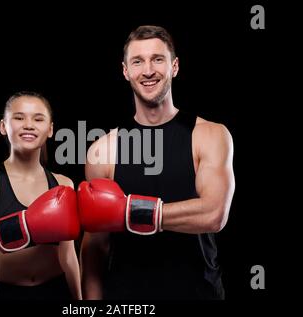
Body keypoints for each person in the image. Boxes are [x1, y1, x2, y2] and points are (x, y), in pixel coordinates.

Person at [78, 25, 235, 299]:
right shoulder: (103, 151)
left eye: (157, 59)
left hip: (199, 294)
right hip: (127, 299)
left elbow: (213, 214)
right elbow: (95, 246)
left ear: (174, 66)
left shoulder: (209, 135)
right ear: (126, 71)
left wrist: (128, 212)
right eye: (137, 61)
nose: (148, 70)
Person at [0, 91, 82, 300]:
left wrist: (80, 303)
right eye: (19, 118)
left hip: (56, 290)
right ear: (4, 126)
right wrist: (31, 224)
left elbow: (68, 256)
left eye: (38, 119)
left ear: (50, 129)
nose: (29, 125)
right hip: (7, 292)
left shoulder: (64, 184)